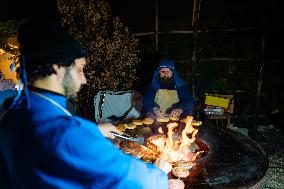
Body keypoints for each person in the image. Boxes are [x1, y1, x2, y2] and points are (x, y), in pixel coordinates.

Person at [0, 20, 168, 189]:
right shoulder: (68, 134)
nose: (84, 79)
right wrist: (160, 173)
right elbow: (130, 179)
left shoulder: (12, 112)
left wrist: (95, 129)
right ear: (58, 67)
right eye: (80, 69)